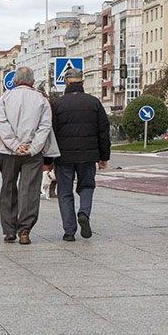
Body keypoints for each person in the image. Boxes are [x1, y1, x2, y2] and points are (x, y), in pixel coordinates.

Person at [0, 67, 59, 245]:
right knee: (29, 191)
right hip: (33, 153)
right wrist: (32, 147)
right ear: (32, 81)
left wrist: (14, 145)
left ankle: (8, 230)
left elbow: (0, 122)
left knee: (8, 188)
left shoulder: (5, 98)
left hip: (8, 152)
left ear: (15, 81)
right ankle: (25, 231)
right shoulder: (41, 100)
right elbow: (45, 126)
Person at [52, 68, 111, 242]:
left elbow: (52, 133)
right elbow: (103, 131)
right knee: (87, 186)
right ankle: (84, 212)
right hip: (88, 155)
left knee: (64, 192)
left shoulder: (57, 104)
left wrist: (48, 159)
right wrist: (103, 157)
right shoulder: (94, 103)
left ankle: (69, 231)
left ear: (67, 82)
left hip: (63, 156)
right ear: (82, 82)